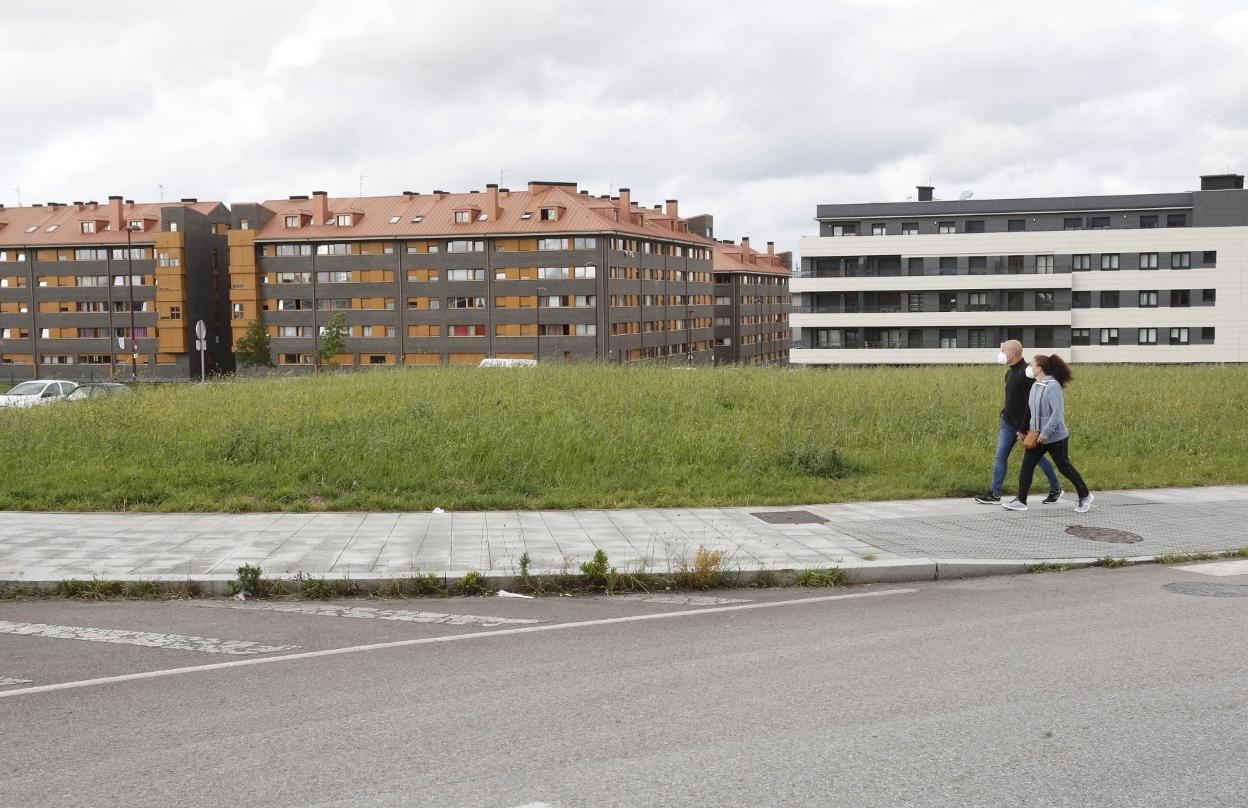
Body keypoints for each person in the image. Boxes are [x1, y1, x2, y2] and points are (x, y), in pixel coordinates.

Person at [975, 340, 1062, 505]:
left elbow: (1031, 404)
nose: (1000, 353)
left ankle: (1056, 488)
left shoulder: (1026, 374)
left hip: (1024, 426)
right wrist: (1005, 412)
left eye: (1003, 350)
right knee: (1000, 456)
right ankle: (995, 494)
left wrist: (1023, 429)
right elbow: (1013, 398)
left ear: (1012, 353)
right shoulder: (1009, 373)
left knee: (1037, 459)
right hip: (1007, 423)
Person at [1003, 354, 1093, 513]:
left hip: (1055, 436)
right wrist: (1023, 430)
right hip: (1036, 436)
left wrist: (1046, 432)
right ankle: (1021, 501)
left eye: (1031, 365)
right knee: (1026, 467)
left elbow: (1057, 412)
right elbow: (1030, 411)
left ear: (1039, 368)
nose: (1028, 368)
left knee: (1064, 467)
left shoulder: (1053, 386)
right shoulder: (1035, 386)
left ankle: (1085, 496)